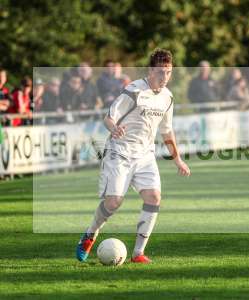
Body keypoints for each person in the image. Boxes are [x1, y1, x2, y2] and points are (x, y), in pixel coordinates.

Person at [76, 49, 191, 264]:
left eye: (168, 72)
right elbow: (108, 117)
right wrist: (114, 128)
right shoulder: (134, 90)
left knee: (154, 197)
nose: (164, 77)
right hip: (119, 153)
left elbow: (167, 131)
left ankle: (138, 253)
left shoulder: (167, 98)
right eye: (160, 72)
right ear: (150, 70)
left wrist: (178, 159)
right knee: (113, 202)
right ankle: (90, 234)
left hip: (145, 156)